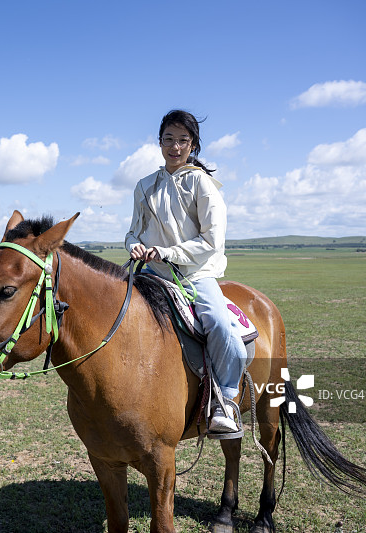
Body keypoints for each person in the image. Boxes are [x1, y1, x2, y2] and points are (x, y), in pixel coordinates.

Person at [125, 109, 246, 434]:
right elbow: (133, 231)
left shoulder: (202, 184)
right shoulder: (145, 186)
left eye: (182, 140)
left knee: (220, 325)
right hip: (151, 273)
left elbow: (211, 240)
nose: (174, 147)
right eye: (169, 139)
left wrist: (168, 252)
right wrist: (133, 246)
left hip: (194, 274)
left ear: (193, 145)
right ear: (159, 142)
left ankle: (225, 402)